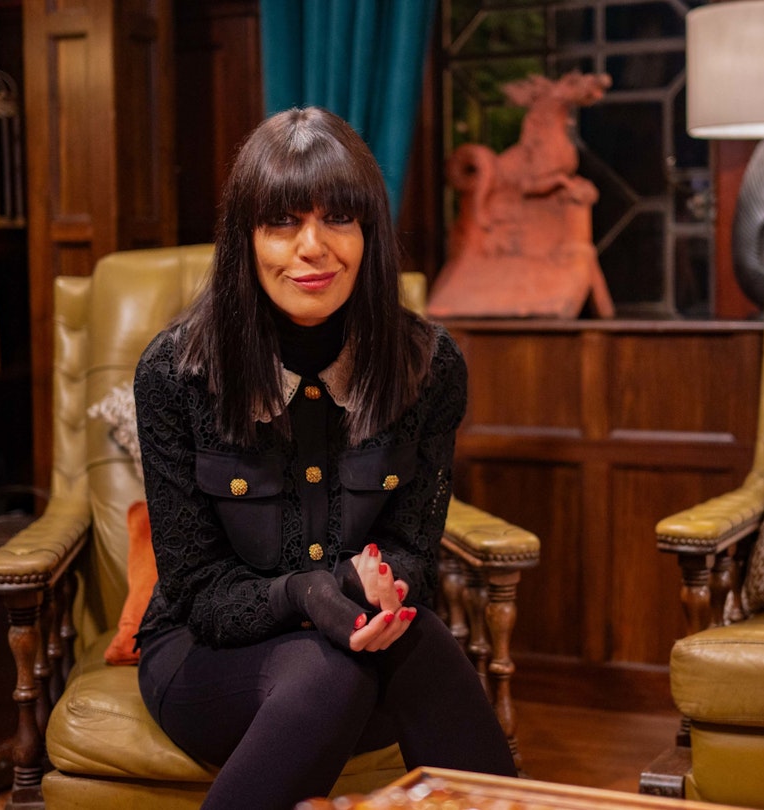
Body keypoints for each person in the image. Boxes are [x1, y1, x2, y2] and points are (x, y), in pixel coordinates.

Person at [132, 106, 516, 810]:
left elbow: (412, 553)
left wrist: (374, 590)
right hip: (205, 660)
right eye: (282, 222)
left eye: (338, 218)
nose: (313, 247)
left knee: (415, 639)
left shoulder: (428, 367)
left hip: (364, 653)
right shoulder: (175, 373)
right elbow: (198, 594)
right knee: (329, 670)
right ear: (244, 240)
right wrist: (308, 594)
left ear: (369, 234)